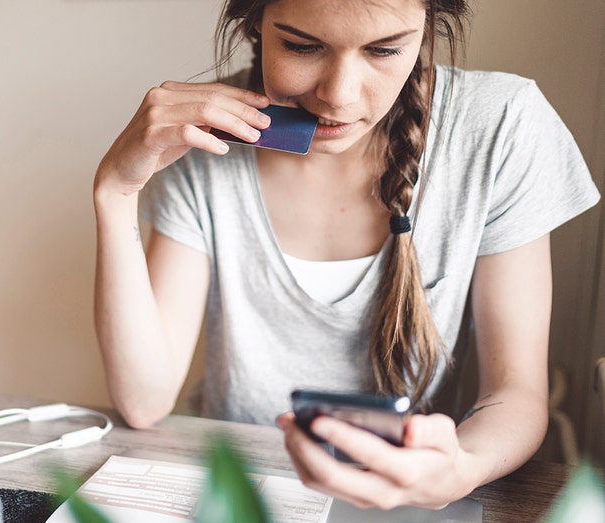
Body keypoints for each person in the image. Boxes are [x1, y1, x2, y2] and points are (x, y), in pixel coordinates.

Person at [92, 0, 599, 510]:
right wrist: (115, 192)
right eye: (302, 45)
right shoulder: (201, 139)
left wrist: (461, 466)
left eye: (384, 49)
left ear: (426, 32)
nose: (338, 94)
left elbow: (516, 394)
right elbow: (144, 400)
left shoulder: (500, 125)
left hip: (408, 505)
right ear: (254, 24)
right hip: (242, 494)